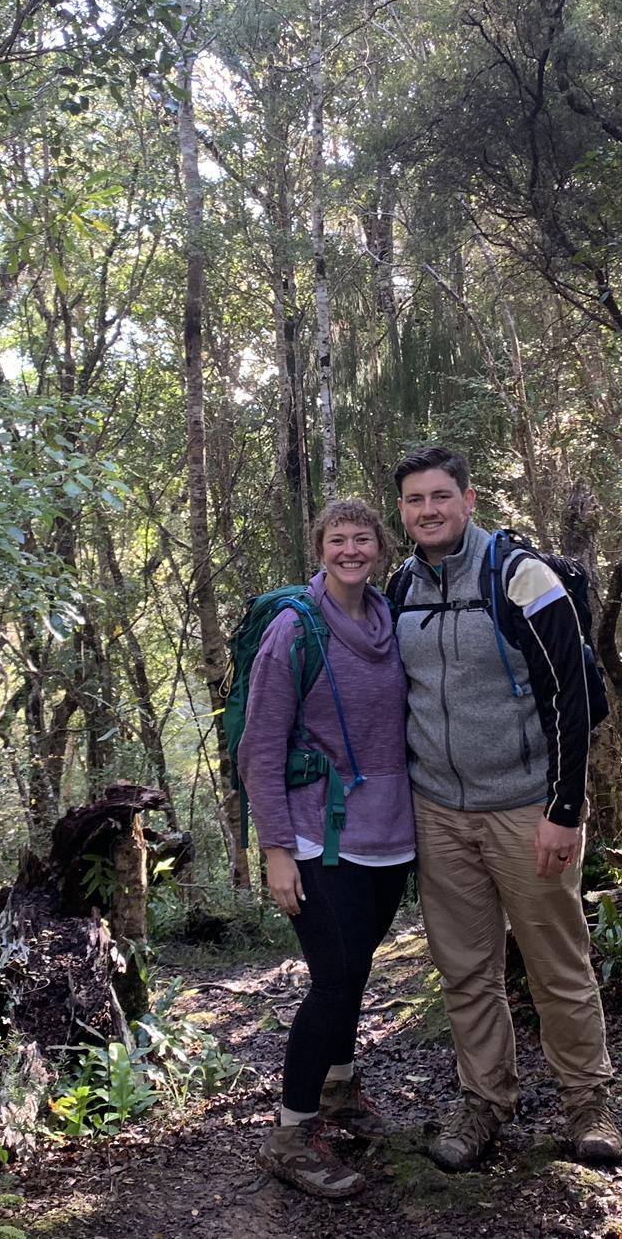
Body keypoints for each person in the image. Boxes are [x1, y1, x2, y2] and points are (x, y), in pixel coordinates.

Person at [391, 444, 621, 1172]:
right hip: (439, 810)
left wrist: (566, 807)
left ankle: (589, 1104)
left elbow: (573, 699)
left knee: (557, 963)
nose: (428, 511)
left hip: (528, 808)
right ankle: (484, 1101)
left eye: (439, 497)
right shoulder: (400, 589)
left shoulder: (524, 579)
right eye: (414, 501)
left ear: (468, 499)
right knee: (465, 970)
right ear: (403, 511)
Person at [237, 497, 414, 1200]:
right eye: (338, 539)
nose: (351, 550)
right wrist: (277, 848)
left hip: (391, 834)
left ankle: (340, 1091)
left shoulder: (390, 620)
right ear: (320, 548)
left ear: (380, 548)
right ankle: (289, 1131)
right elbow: (259, 746)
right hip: (318, 836)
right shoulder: (294, 630)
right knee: (334, 979)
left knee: (356, 970)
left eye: (362, 538)